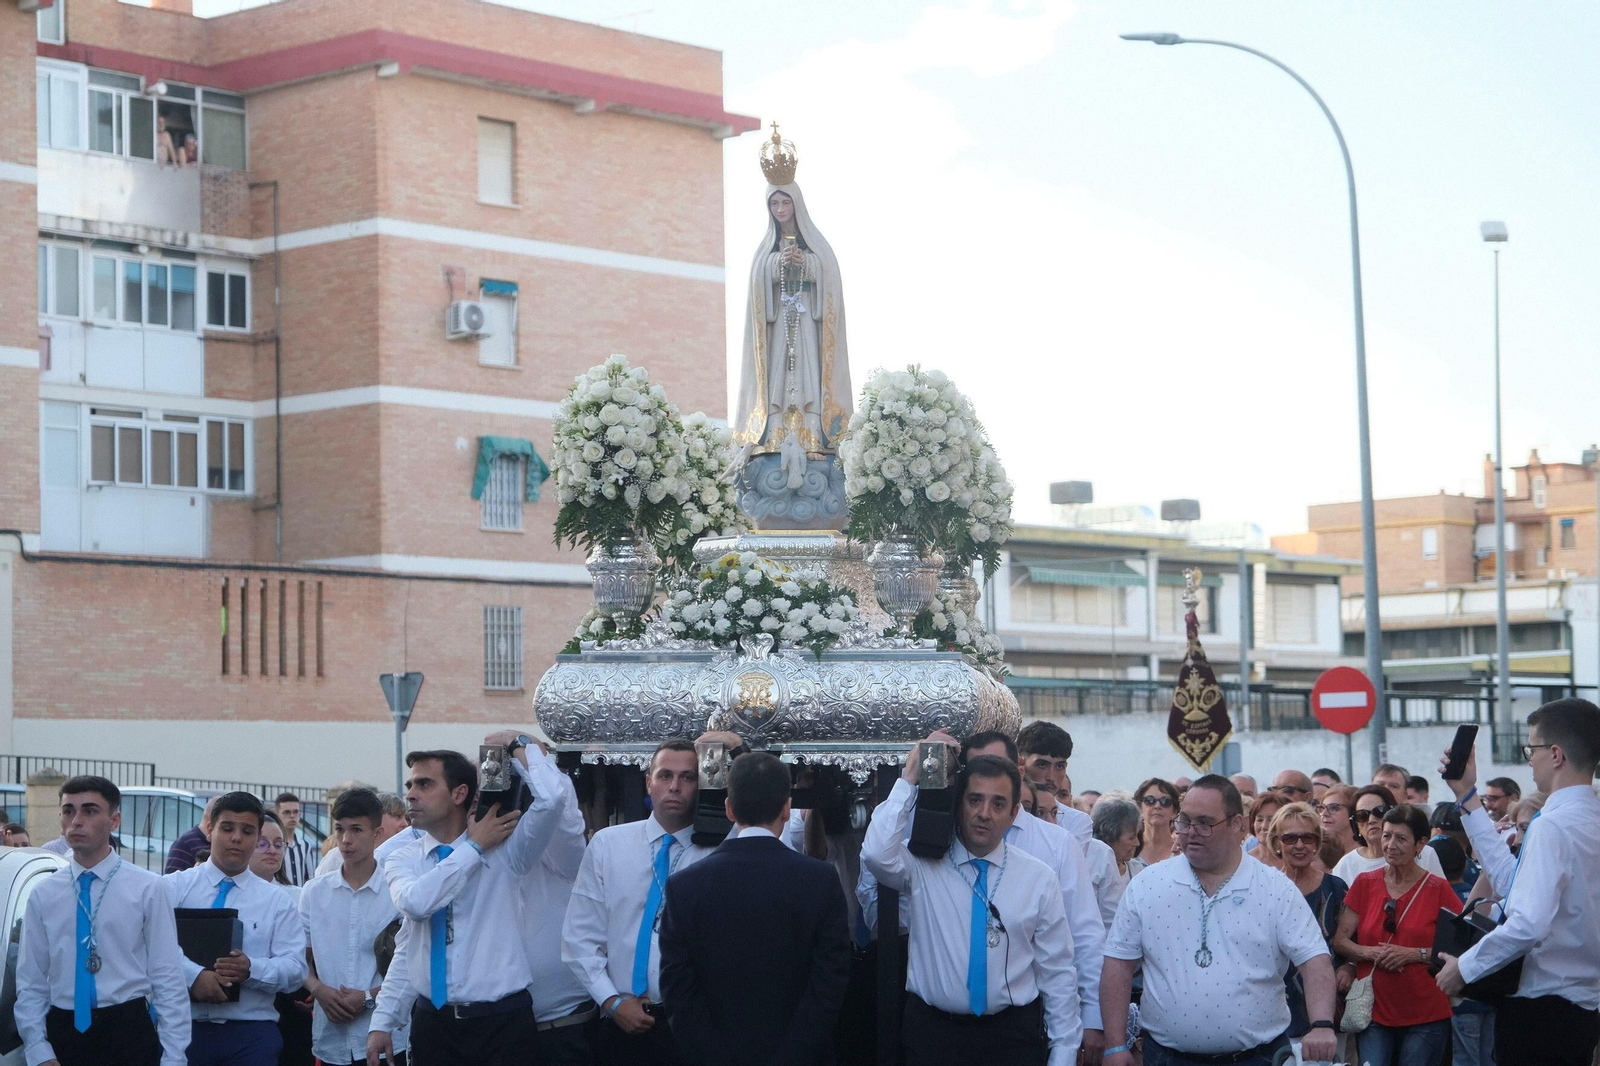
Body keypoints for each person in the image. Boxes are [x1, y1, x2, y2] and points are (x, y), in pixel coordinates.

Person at [862, 740, 1081, 1066]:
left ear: (1012, 813)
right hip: (935, 1037)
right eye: (974, 800)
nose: (983, 813)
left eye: (997, 804)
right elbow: (877, 854)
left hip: (1011, 1039)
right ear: (958, 804)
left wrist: (1063, 1055)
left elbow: (1058, 975)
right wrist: (909, 778)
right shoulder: (924, 864)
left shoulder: (1038, 878)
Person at [1101, 775, 1338, 1066]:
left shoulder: (1274, 888)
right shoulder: (1147, 884)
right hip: (1166, 1057)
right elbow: (1118, 964)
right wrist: (1114, 1046)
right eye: (1184, 821)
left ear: (1237, 824)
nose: (1190, 832)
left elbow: (1314, 959)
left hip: (1257, 1058)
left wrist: (1322, 1024)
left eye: (1204, 823)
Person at [371, 738, 574, 1066]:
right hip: (433, 1024)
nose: (410, 793)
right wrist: (383, 1020)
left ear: (459, 793)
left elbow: (552, 799)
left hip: (502, 1023)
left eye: (424, 784)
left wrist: (518, 745)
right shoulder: (402, 858)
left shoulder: (507, 849)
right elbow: (414, 917)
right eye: (410, 784)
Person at [1436, 698, 1600, 1066]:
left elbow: (1527, 923)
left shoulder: (1553, 824)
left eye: (1532, 748)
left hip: (1542, 1011)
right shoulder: (1585, 817)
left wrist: (1463, 968)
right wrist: (1466, 797)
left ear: (1555, 754)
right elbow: (1514, 883)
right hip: (1581, 1006)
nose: (1530, 758)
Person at [659, 752, 850, 1066]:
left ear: (729, 809)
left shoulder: (684, 887)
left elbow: (678, 993)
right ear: (787, 808)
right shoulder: (820, 880)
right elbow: (829, 983)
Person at [15, 775, 190, 1066]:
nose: (76, 820)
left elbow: (167, 976)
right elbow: (31, 980)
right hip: (64, 1028)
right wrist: (38, 1049)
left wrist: (174, 1057)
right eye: (68, 810)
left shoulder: (147, 888)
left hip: (127, 1028)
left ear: (115, 820)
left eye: (90, 810)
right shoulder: (43, 894)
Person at [564, 739, 712, 1066]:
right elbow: (579, 937)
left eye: (687, 777)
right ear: (648, 781)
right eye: (665, 776)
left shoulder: (718, 853)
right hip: (621, 1020)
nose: (674, 786)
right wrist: (612, 1002)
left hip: (692, 1021)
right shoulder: (608, 844)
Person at [962, 730, 1107, 1062]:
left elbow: (1084, 935)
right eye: (977, 769)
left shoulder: (1057, 844)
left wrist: (1093, 1018)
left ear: (1019, 770)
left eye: (997, 765)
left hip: (1030, 1019)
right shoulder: (947, 842)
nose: (988, 778)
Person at [730, 136, 852, 484]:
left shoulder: (817, 244)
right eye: (775, 204)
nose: (781, 210)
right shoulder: (764, 249)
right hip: (780, 322)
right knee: (780, 375)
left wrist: (807, 264)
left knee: (810, 373)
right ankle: (777, 430)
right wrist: (774, 266)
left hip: (806, 322)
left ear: (797, 204)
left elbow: (829, 275)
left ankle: (813, 432)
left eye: (786, 202)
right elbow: (757, 281)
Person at [164, 791, 308, 1066]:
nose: (236, 838)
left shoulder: (276, 901)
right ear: (209, 829)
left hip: (250, 1034)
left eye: (247, 830)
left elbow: (295, 969)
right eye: (227, 828)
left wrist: (251, 969)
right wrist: (193, 976)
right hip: (182, 1028)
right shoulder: (173, 888)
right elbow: (149, 946)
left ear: (256, 839)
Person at [1332, 804, 1461, 1066]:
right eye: (1387, 835)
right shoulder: (1365, 883)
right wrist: (1370, 953)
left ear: (1420, 844)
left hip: (1426, 1010)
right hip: (1373, 1009)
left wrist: (1413, 954)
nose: (1391, 844)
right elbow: (1340, 939)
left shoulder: (1438, 888)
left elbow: (1459, 946)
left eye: (1401, 838)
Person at [300, 788, 406, 1066]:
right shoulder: (314, 892)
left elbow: (413, 963)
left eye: (356, 829)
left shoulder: (397, 891)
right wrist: (318, 990)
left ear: (377, 834)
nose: (346, 840)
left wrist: (369, 997)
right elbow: (297, 956)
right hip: (330, 1037)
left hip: (386, 1038)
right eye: (340, 829)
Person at [1265, 803, 1347, 1042]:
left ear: (1317, 843)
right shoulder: (1266, 889)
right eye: (1290, 838)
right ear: (1277, 843)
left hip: (1329, 1006)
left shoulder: (1336, 887)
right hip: (1277, 1006)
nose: (1299, 845)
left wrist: (1347, 968)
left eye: (1307, 837)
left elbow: (1352, 942)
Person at [253, 811, 313, 1066]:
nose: (272, 851)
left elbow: (312, 953)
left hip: (294, 999)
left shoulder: (299, 895)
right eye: (262, 844)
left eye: (278, 844)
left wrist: (316, 989)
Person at [1331, 786, 1446, 884]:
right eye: (1362, 815)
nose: (1371, 820)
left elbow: (1444, 904)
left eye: (1379, 812)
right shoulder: (1346, 865)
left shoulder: (1426, 853)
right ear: (1355, 824)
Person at [1016, 720, 1095, 848]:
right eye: (1042, 765)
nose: (1051, 777)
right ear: (1021, 763)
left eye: (1059, 766)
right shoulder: (1004, 812)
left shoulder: (1076, 822)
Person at [1090, 797, 1142, 925]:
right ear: (1111, 835)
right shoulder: (1091, 870)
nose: (1137, 843)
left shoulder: (1139, 870)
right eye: (1131, 837)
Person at [1134, 777, 1180, 868]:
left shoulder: (1180, 851)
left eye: (1165, 801)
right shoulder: (1131, 848)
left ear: (1174, 812)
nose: (1157, 806)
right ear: (1140, 808)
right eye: (1150, 800)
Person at [275, 793, 319, 887]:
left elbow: (310, 879)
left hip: (299, 898)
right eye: (287, 812)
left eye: (296, 812)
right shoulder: (273, 846)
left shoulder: (305, 846)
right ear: (277, 815)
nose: (292, 816)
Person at [166, 796, 219, 874]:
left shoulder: (221, 844)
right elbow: (172, 881)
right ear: (211, 819)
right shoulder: (185, 844)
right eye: (227, 827)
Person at [1317, 784, 1359, 870]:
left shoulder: (1368, 855)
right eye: (1322, 808)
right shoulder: (1316, 853)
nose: (1324, 814)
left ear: (1354, 811)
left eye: (1333, 808)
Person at [1245, 791, 1287, 869]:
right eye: (1259, 820)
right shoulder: (1245, 862)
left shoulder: (1295, 860)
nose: (1263, 826)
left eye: (1271, 820)